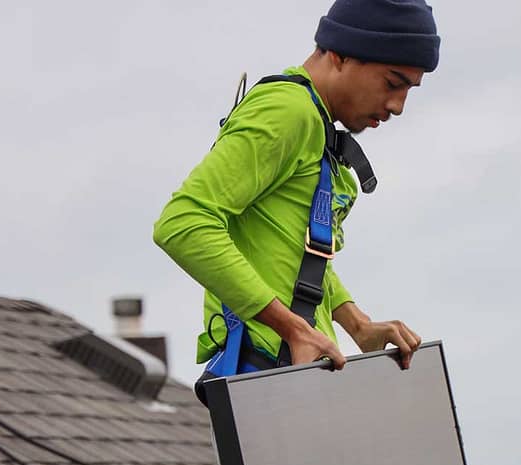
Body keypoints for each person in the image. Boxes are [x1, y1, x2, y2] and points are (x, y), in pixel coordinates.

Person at [152, 0, 439, 397]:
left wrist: (356, 324)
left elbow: (290, 246)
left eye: (410, 89)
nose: (398, 106)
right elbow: (182, 223)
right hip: (264, 375)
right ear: (339, 55)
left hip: (297, 372)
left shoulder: (313, 122)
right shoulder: (287, 112)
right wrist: (291, 327)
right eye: (393, 83)